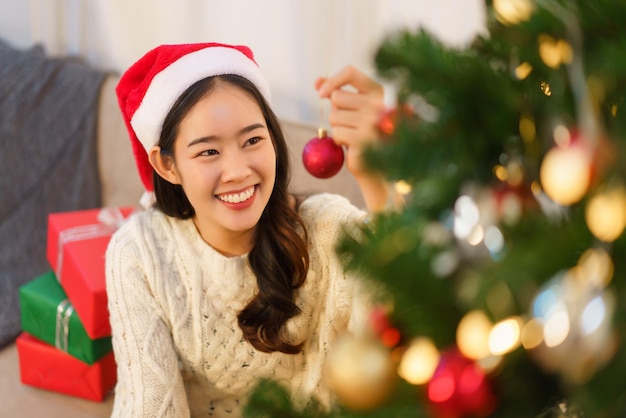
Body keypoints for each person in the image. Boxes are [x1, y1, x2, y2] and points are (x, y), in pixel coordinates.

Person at [106, 42, 395, 417]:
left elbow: (400, 321)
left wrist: (378, 180)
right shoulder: (140, 253)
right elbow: (150, 408)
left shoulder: (326, 228)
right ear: (167, 165)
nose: (239, 170)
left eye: (253, 140)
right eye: (209, 151)